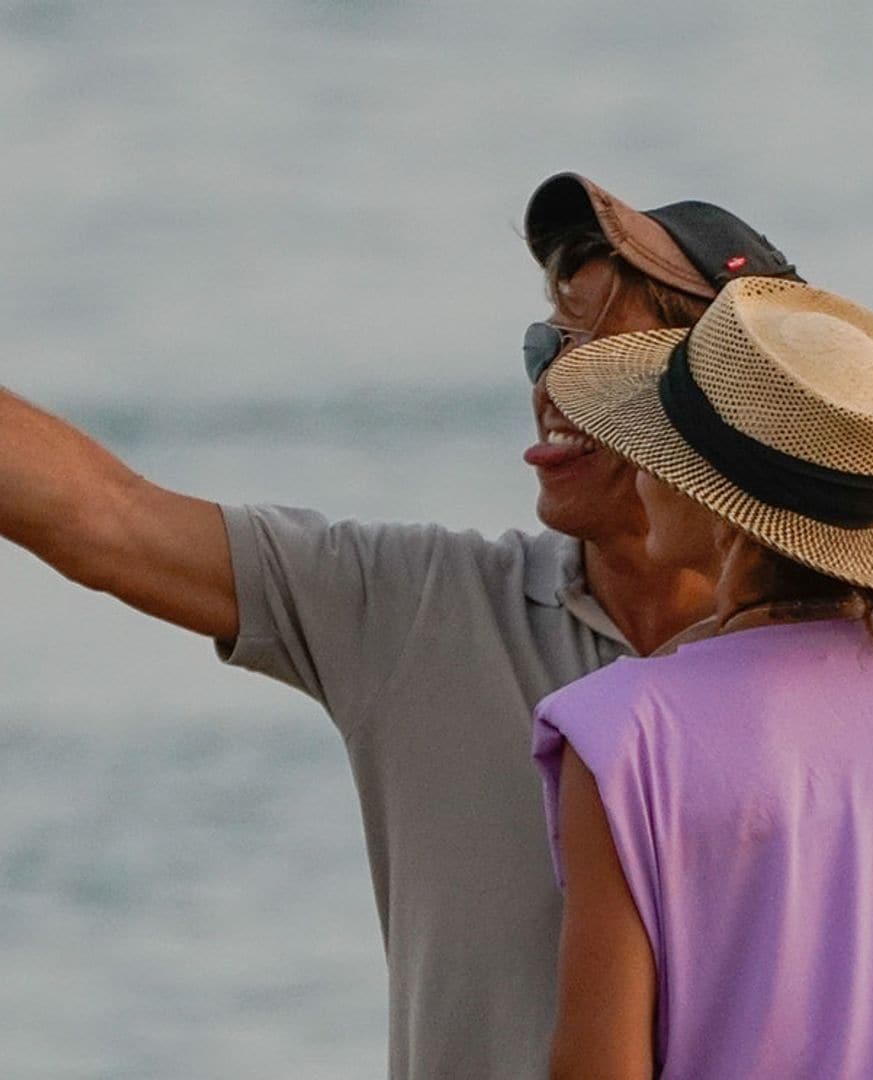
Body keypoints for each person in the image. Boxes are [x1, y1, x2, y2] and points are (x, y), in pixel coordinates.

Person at [0, 173, 802, 1078]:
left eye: (600, 360)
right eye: (548, 346)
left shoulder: (855, 675)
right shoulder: (418, 607)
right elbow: (105, 521)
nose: (552, 387)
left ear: (735, 409)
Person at [532, 277, 873, 1079]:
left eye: (659, 444)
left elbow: (598, 1066)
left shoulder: (626, 733)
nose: (639, 466)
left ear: (717, 504)